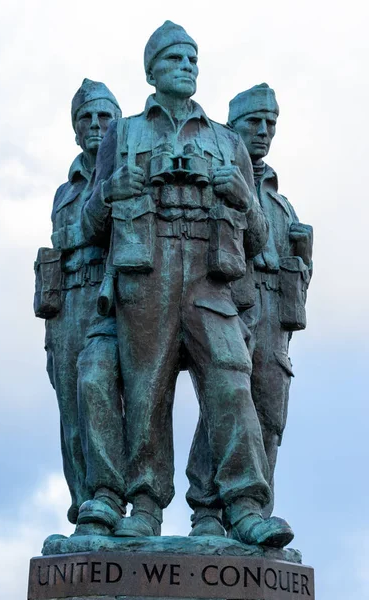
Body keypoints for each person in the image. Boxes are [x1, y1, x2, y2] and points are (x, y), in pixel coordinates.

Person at [82, 23, 293, 547]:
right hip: (146, 275)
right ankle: (146, 506)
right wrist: (110, 190)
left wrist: (242, 195)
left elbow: (260, 238)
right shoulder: (124, 134)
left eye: (193, 59)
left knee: (231, 383)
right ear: (152, 70)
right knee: (146, 390)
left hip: (209, 279)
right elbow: (89, 223)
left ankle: (244, 505)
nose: (187, 66)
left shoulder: (225, 140)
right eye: (174, 58)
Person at [186, 83, 313, 528]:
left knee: (270, 419)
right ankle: (206, 507)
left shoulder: (282, 205)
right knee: (222, 406)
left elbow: (300, 274)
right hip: (229, 307)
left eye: (270, 124)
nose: (263, 131)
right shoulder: (214, 179)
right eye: (253, 122)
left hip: (274, 324)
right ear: (231, 127)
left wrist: (303, 261)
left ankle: (257, 515)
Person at [35, 79, 126, 533]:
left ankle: (116, 500)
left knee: (106, 403)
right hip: (66, 303)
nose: (94, 125)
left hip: (112, 299)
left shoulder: (125, 171)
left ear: (116, 124)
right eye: (85, 118)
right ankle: (84, 509)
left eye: (103, 116)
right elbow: (63, 242)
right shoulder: (63, 191)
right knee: (71, 415)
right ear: (75, 129)